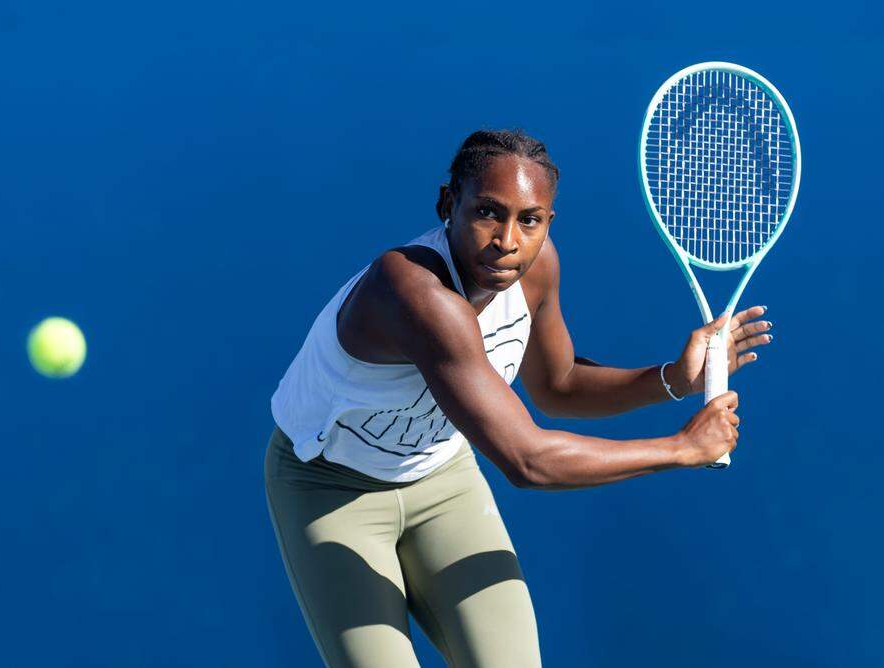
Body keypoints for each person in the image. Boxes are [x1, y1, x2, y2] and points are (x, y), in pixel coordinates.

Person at [264, 129, 772, 667]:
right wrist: (681, 448)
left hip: (441, 479)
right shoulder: (412, 293)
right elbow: (528, 461)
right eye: (488, 212)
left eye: (529, 220)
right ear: (447, 204)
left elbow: (559, 387)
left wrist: (672, 379)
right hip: (330, 488)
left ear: (547, 223)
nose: (507, 240)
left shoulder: (536, 269)